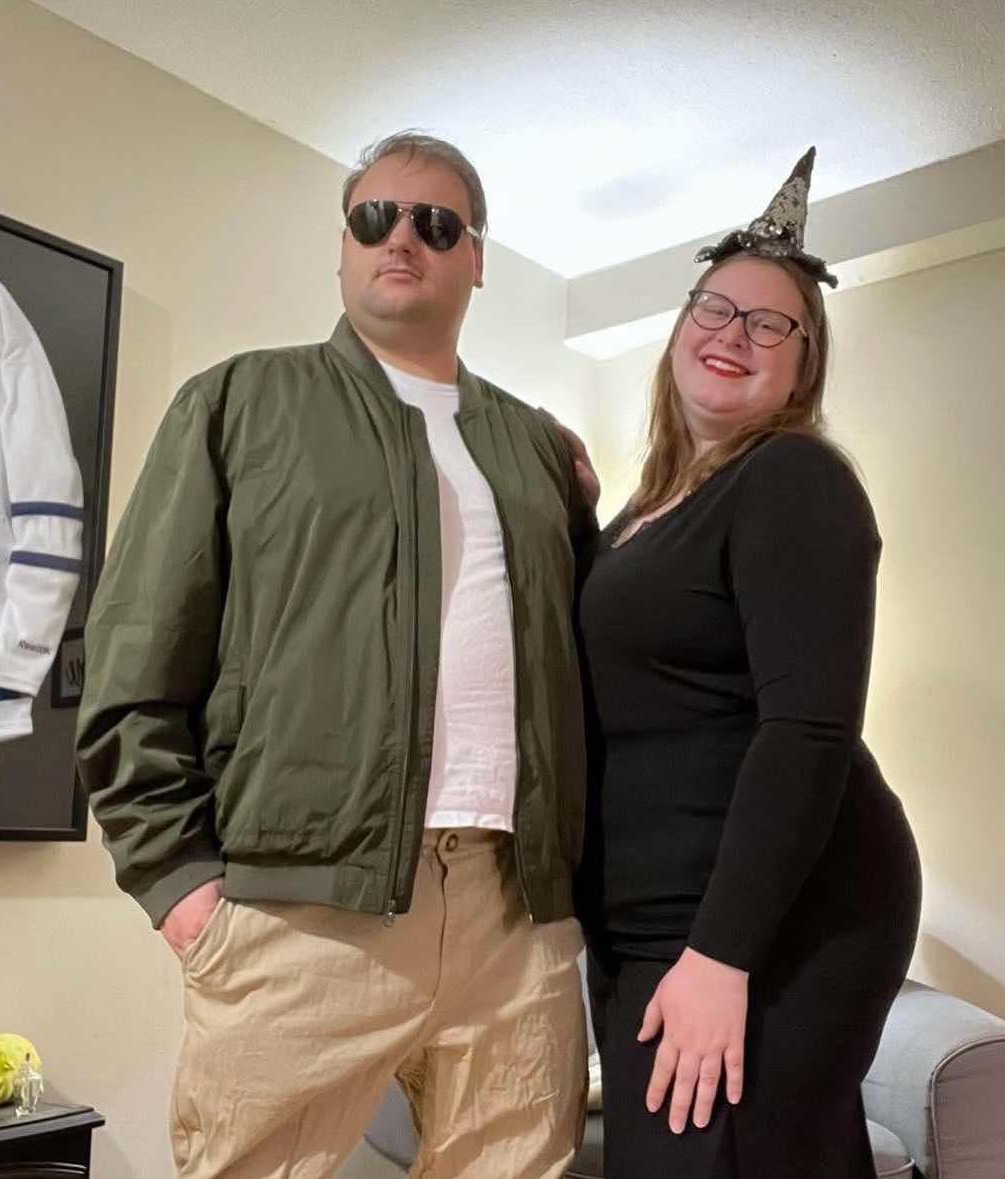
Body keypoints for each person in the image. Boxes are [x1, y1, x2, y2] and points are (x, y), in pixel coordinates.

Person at [77, 131, 598, 1179]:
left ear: (476, 257)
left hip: (518, 914)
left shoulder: (538, 448)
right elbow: (134, 651)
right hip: (300, 912)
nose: (401, 238)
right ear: (344, 244)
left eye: (435, 224)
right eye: (374, 218)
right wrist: (178, 881)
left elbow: (592, 666)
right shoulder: (239, 402)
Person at [576, 148, 922, 1178]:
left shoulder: (793, 478)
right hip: (654, 922)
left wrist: (723, 953)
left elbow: (808, 729)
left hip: (770, 923)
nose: (734, 334)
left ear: (803, 367)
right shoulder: (642, 513)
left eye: (772, 325)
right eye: (716, 308)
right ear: (680, 328)